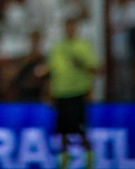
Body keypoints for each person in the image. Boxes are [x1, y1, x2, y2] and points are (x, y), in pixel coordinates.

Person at [48, 18, 99, 169]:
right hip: (61, 94)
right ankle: (64, 160)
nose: (69, 30)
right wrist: (50, 92)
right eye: (67, 27)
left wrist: (81, 64)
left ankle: (89, 160)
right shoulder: (58, 47)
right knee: (62, 131)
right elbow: (53, 72)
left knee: (81, 131)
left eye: (72, 27)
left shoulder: (83, 46)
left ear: (76, 28)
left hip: (77, 94)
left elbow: (95, 69)